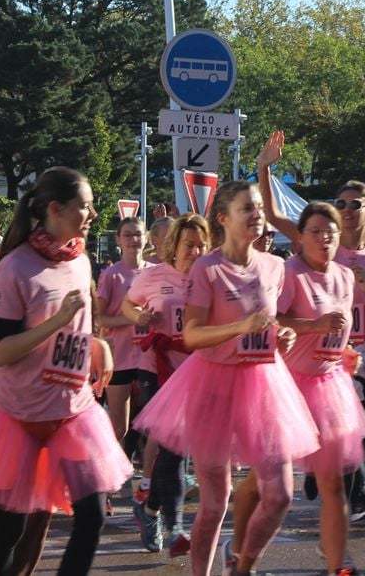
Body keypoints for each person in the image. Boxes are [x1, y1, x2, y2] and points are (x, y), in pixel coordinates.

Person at [0, 167, 132, 576]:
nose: (94, 214)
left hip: (73, 410)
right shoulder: (15, 268)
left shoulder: (81, 259)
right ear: (55, 209)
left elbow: (81, 325)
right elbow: (1, 350)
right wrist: (56, 323)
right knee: (11, 529)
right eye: (85, 206)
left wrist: (99, 346)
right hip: (19, 416)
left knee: (92, 516)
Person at [135, 180, 319, 576]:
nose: (257, 215)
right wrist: (240, 327)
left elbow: (271, 321)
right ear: (223, 218)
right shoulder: (208, 268)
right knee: (216, 503)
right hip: (213, 384)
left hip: (264, 384)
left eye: (259, 207)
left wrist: (281, 334)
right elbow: (192, 335)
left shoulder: (274, 266)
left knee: (280, 494)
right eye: (247, 208)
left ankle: (241, 563)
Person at [257, 132, 365, 520]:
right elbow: (274, 216)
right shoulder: (314, 244)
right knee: (325, 427)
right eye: (340, 203)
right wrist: (265, 168)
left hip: (357, 350)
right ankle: (339, 487)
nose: (346, 209)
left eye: (355, 204)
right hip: (310, 353)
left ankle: (336, 484)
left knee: (358, 426)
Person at [277, 202, 365, 576]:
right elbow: (272, 320)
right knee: (271, 483)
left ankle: (338, 562)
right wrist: (313, 326)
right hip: (288, 387)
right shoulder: (290, 273)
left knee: (334, 483)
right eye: (315, 231)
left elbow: (339, 330)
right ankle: (237, 550)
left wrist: (344, 353)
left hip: (331, 386)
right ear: (300, 237)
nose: (324, 238)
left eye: (330, 231)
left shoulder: (345, 277)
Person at [125, 213, 210, 556]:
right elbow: (128, 304)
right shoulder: (153, 276)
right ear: (174, 246)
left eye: (201, 245)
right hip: (156, 368)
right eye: (189, 245)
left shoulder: (210, 277)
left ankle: (149, 509)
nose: (195, 251)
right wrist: (140, 317)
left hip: (195, 370)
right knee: (173, 447)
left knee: (177, 449)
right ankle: (174, 527)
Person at [95, 217, 151, 467]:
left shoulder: (155, 271)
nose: (133, 240)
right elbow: (100, 318)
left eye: (137, 234)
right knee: (120, 426)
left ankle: (140, 474)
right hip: (120, 357)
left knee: (150, 424)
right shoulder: (111, 274)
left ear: (146, 238)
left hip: (149, 357)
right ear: (118, 240)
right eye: (127, 235)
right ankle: (107, 472)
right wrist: (132, 319)